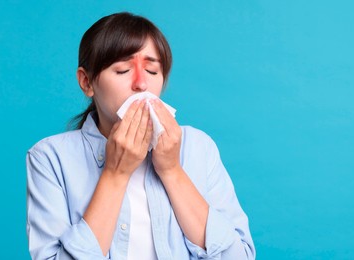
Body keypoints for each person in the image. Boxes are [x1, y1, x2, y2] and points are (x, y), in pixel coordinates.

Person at [26, 12, 255, 260]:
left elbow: (238, 256)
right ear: (87, 82)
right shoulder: (49, 158)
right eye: (123, 70)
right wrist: (115, 174)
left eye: (152, 71)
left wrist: (171, 170)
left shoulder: (198, 147)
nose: (141, 84)